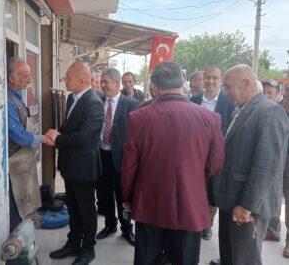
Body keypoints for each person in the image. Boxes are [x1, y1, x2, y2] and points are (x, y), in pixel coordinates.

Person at [121, 61, 225, 265]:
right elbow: (216, 162)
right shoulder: (210, 118)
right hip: (191, 203)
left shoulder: (138, 117)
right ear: (183, 82)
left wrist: (127, 196)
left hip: (150, 202)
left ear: (154, 86)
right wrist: (193, 176)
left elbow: (129, 167)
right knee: (185, 259)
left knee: (147, 258)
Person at [211, 64, 288, 265]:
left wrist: (247, 206)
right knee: (230, 257)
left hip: (246, 208)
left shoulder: (269, 112)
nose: (225, 92)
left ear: (246, 84)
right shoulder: (243, 109)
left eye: (228, 87)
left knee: (244, 260)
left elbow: (266, 165)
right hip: (232, 201)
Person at [46, 62, 104, 265]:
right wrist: (57, 134)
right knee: (72, 206)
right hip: (69, 164)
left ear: (83, 80)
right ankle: (73, 242)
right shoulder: (72, 97)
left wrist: (58, 139)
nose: (65, 80)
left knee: (86, 209)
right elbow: (69, 126)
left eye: (69, 77)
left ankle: (88, 248)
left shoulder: (94, 103)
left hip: (84, 167)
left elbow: (85, 137)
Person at [7, 58, 54, 232]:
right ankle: (16, 243)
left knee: (25, 202)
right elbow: (18, 136)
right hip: (14, 163)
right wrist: (41, 138)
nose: (30, 80)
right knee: (16, 206)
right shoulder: (8, 101)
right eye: (25, 76)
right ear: (12, 78)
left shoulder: (18, 97)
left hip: (23, 160)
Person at [95, 68, 139, 246]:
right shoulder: (97, 101)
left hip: (122, 160)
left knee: (124, 198)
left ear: (117, 83)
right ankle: (109, 224)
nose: (103, 85)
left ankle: (127, 227)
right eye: (101, 82)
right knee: (104, 194)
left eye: (106, 82)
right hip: (101, 157)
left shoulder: (132, 105)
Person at [190, 65, 234, 240]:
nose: (210, 81)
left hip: (217, 156)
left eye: (214, 78)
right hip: (195, 155)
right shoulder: (193, 100)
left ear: (220, 80)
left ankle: (207, 223)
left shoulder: (228, 102)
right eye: (207, 77)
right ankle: (196, 219)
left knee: (212, 191)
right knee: (195, 189)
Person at [264, 83, 289, 258]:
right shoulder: (278, 109)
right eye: (286, 96)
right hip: (277, 156)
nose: (286, 99)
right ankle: (272, 230)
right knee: (272, 193)